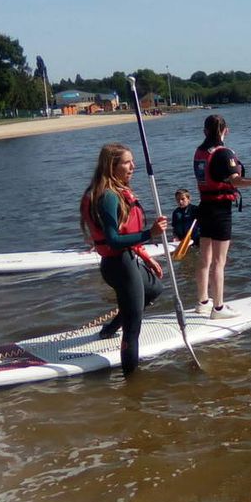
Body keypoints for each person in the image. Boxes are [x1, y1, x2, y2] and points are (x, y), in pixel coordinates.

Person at [80, 143, 168, 376]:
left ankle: (109, 328)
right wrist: (151, 234)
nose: (133, 166)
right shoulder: (108, 196)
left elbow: (125, 239)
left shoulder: (116, 191)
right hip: (119, 266)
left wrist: (144, 255)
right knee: (133, 329)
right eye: (127, 162)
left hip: (127, 260)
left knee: (155, 289)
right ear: (112, 166)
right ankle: (132, 388)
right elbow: (113, 240)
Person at [192, 114, 251, 319]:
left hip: (204, 207)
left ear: (205, 132)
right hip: (220, 210)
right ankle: (218, 308)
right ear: (225, 131)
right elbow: (236, 181)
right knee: (219, 261)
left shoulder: (200, 152)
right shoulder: (223, 153)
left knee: (205, 258)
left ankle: (202, 301)